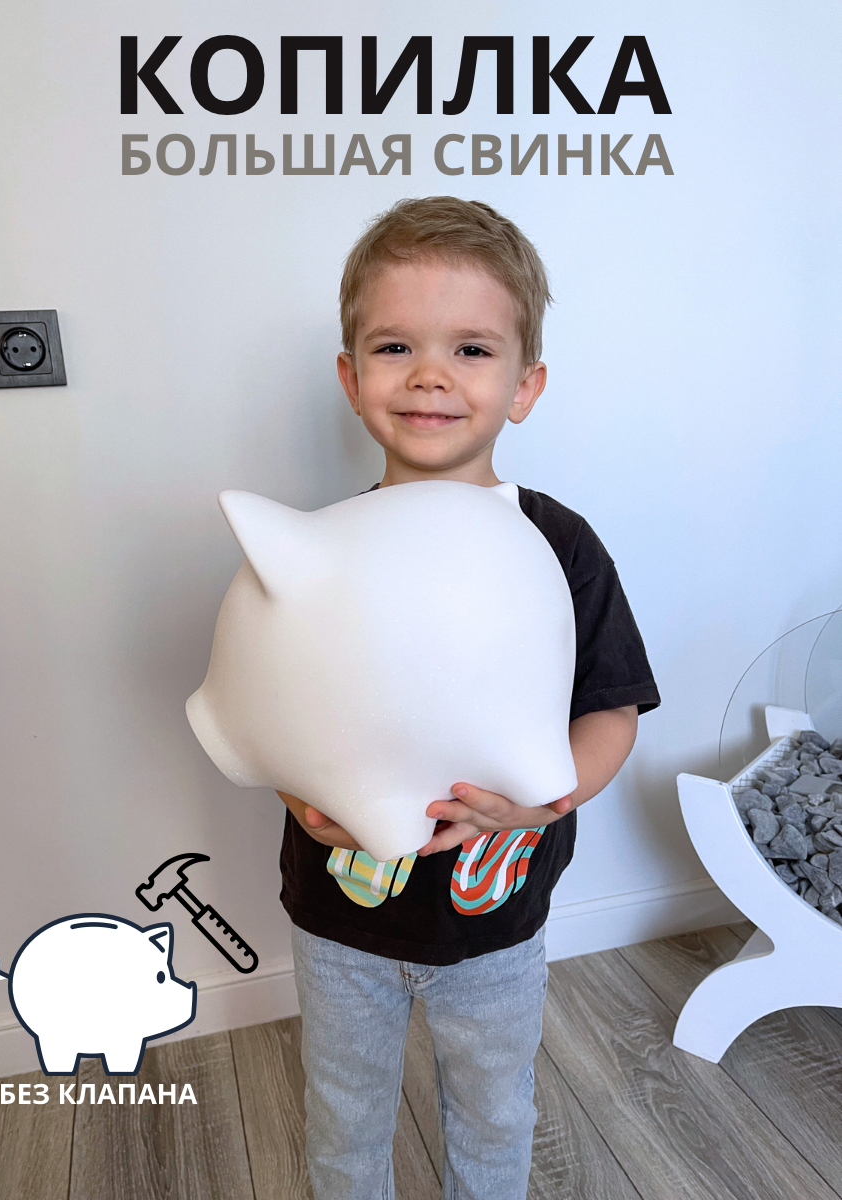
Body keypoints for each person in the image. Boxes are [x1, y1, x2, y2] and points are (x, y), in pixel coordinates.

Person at [275, 196, 661, 1200]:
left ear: (525, 386)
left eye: (473, 350)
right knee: (343, 1119)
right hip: (340, 920)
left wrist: (542, 803)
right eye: (396, 346)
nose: (431, 374)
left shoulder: (562, 548)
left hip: (497, 923)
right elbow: (277, 705)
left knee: (494, 1117)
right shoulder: (322, 550)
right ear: (352, 378)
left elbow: (611, 709)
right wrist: (299, 795)